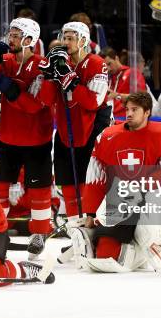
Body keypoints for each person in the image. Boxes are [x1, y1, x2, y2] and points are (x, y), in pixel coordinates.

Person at [68, 92, 161, 272]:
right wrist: (91, 212)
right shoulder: (107, 136)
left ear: (147, 112)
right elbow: (96, 177)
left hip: (152, 200)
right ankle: (102, 238)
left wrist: (140, 186)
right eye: (127, 109)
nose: (128, 113)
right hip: (121, 201)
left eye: (134, 110)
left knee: (150, 235)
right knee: (106, 256)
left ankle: (143, 247)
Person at [0, 18, 54, 257]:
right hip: (8, 138)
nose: (9, 39)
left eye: (15, 35)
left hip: (37, 140)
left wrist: (12, 90)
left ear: (29, 40)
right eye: (10, 34)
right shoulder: (5, 61)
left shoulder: (43, 66)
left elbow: (35, 105)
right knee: (0, 190)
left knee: (39, 191)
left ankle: (39, 234)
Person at [39, 21, 111, 221]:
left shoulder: (96, 63)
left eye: (71, 38)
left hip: (93, 127)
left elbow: (94, 102)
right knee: (69, 184)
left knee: (89, 183)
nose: (65, 42)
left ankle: (92, 227)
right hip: (66, 129)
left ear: (83, 40)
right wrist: (48, 76)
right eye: (64, 37)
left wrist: (70, 80)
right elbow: (46, 100)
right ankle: (75, 233)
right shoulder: (63, 63)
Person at [100, 47, 148, 119]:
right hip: (110, 121)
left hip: (128, 120)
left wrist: (117, 95)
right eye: (105, 66)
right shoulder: (106, 79)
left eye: (109, 64)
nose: (108, 68)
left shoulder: (132, 73)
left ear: (116, 58)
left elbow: (143, 98)